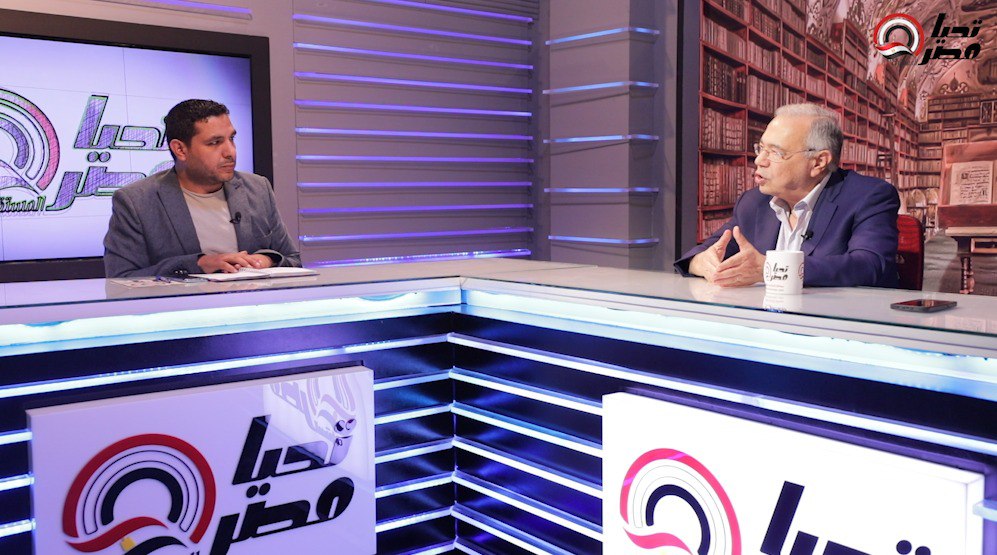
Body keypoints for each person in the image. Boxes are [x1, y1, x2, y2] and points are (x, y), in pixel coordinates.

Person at [675, 103, 900, 288]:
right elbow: (708, 250)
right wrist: (701, 262)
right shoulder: (754, 202)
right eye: (760, 148)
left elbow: (868, 265)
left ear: (818, 162)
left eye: (775, 152)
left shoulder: (869, 197)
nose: (759, 160)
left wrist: (771, 269)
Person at [104, 99, 300, 278]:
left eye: (231, 139)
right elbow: (120, 279)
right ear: (180, 149)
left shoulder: (258, 189)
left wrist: (267, 260)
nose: (230, 152)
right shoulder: (136, 201)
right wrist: (198, 264)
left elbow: (293, 260)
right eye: (214, 143)